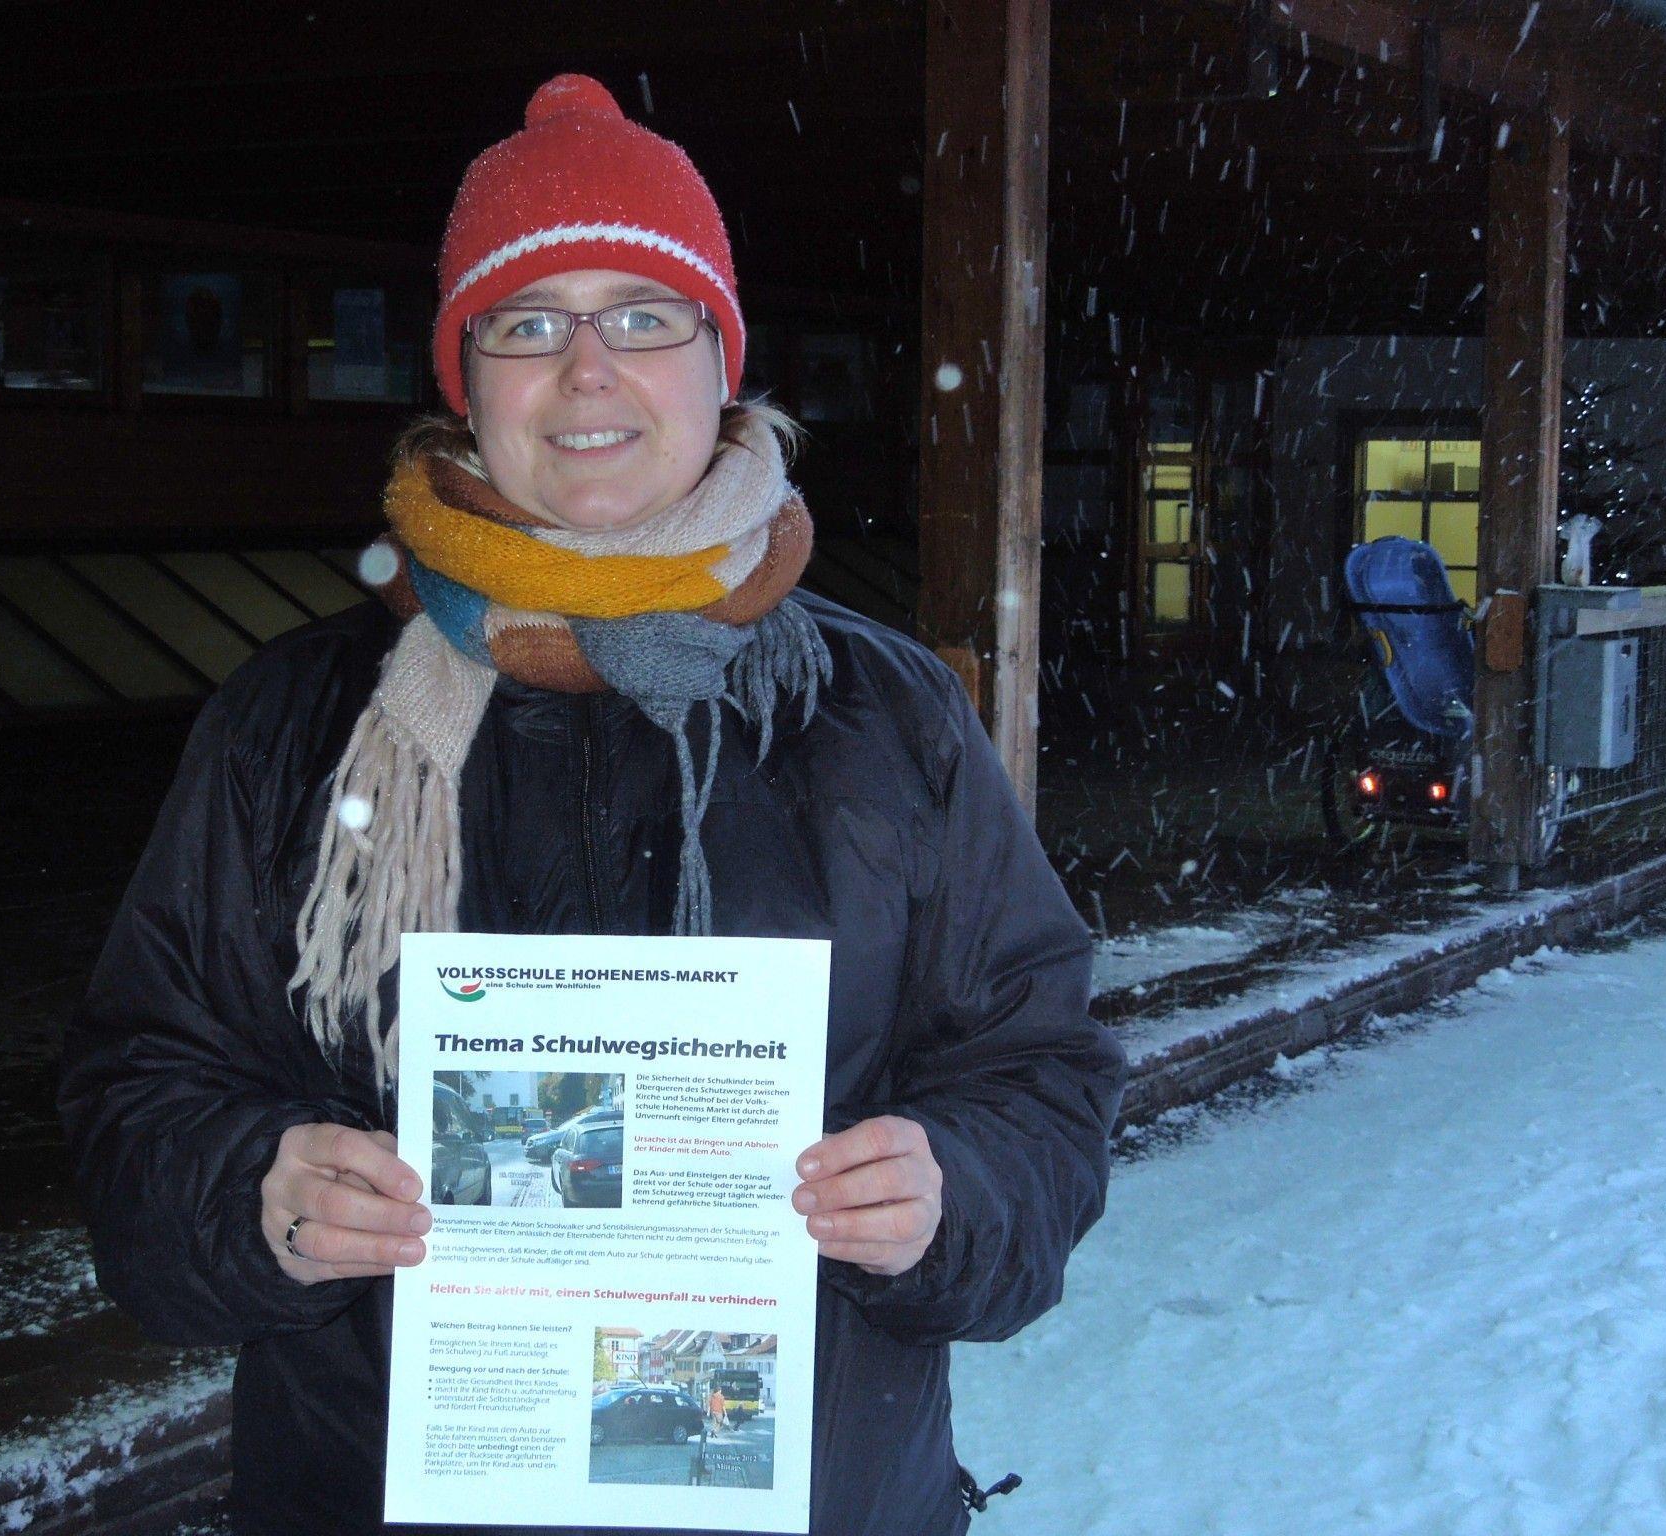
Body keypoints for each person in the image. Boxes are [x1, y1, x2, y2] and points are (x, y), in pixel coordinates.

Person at [59, 73, 1126, 1536]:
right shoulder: (295, 722)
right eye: (527, 322)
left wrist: (956, 1196)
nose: (586, 370)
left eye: (642, 313)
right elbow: (137, 1087)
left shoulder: (881, 716)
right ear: (467, 376)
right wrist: (250, 1190)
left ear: (719, 361)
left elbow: (1044, 1080)